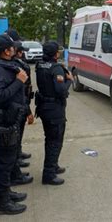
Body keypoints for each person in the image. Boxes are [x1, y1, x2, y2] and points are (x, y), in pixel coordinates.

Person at [0, 34, 30, 215]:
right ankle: (2, 202)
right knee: (4, 162)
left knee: (8, 159)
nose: (14, 50)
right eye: (11, 47)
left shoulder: (2, 65)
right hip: (3, 121)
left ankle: (7, 193)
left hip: (10, 119)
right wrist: (19, 81)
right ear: (5, 50)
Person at [35, 42, 71, 185]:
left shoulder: (39, 65)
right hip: (54, 108)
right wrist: (69, 81)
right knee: (55, 141)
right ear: (55, 54)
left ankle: (53, 165)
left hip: (43, 106)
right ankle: (49, 174)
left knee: (50, 139)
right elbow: (61, 90)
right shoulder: (56, 68)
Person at [12, 42, 33, 168]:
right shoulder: (18, 66)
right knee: (17, 131)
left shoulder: (17, 64)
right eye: (22, 51)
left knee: (19, 131)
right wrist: (28, 110)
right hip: (19, 103)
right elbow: (22, 91)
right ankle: (16, 158)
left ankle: (18, 152)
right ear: (18, 52)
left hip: (22, 101)